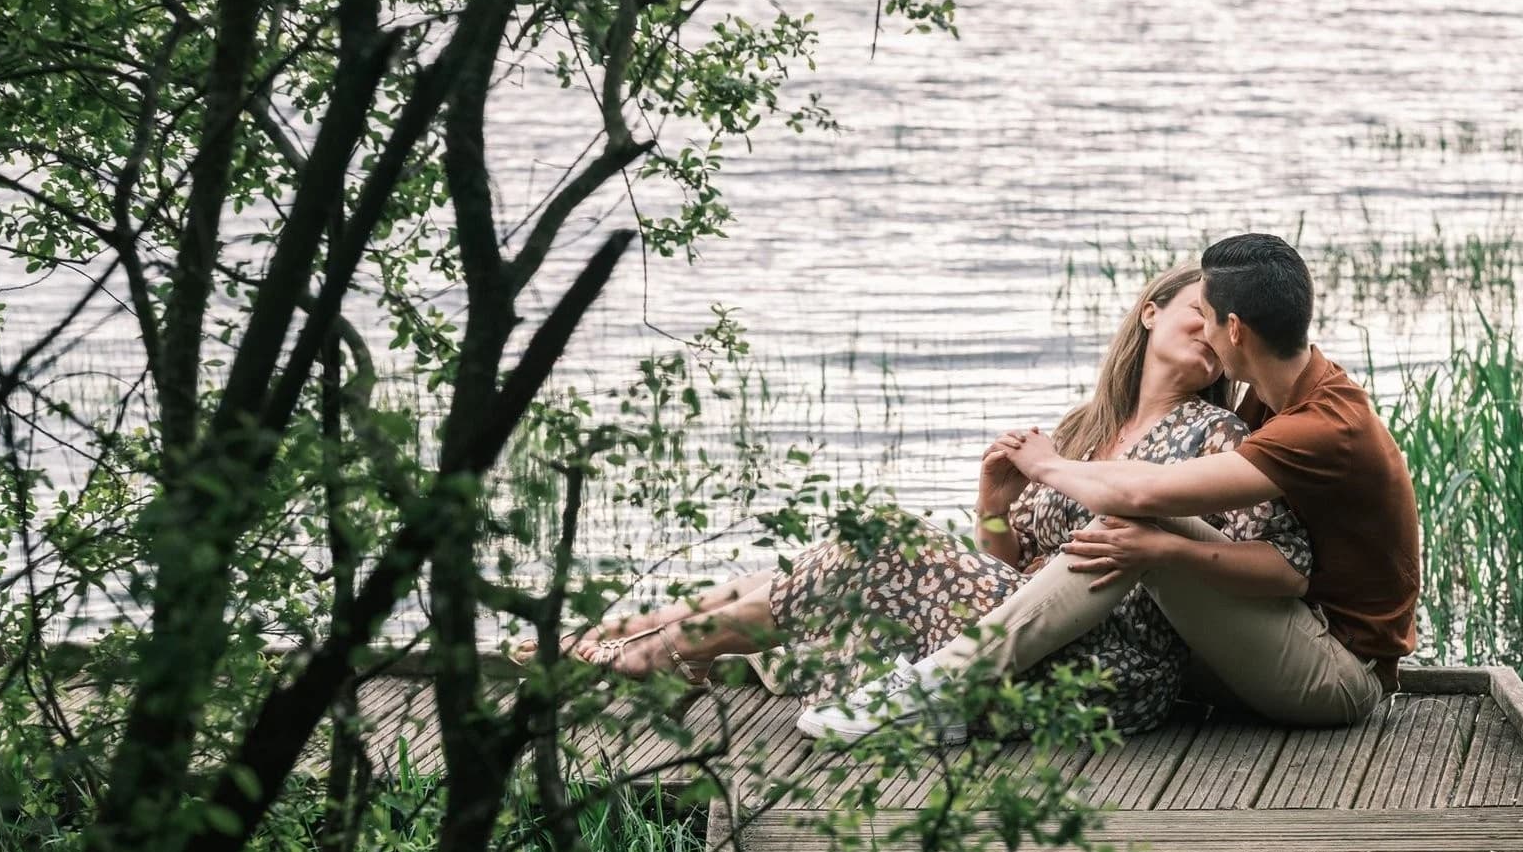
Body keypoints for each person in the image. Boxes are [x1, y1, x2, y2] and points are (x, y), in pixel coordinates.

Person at [512, 262, 1312, 741]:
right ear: (1150, 312)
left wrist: (1166, 550)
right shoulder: (1083, 427)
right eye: (1194, 314)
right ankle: (629, 636)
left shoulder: (1215, 438)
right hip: (1018, 642)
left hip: (1113, 670)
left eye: (1222, 328)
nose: (1209, 334)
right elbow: (1008, 570)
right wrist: (993, 502)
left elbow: (1273, 562)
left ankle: (651, 651)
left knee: (876, 542)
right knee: (826, 568)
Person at [808, 232, 1419, 735]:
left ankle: (940, 685)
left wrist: (1048, 466)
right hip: (1257, 645)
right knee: (1130, 529)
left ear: (1234, 331)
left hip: (1337, 673)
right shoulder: (1280, 388)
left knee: (1139, 518)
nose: (1198, 333)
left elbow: (1148, 499)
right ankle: (928, 685)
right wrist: (999, 505)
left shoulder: (1321, 425)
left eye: (1203, 318)